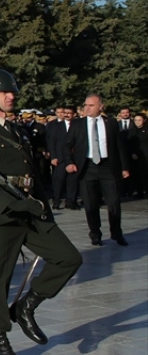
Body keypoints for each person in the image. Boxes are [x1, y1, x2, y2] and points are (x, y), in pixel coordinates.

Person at [0, 69, 83, 355]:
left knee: (68, 257)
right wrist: (17, 204)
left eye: (13, 91)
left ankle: (27, 306)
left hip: (30, 209)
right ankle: (0, 344)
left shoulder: (17, 130)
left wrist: (44, 209)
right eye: (5, 92)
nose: (12, 96)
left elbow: (32, 175)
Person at [63, 94, 131, 246]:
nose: (87, 108)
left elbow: (119, 146)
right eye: (85, 105)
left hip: (108, 166)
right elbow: (67, 145)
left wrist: (124, 167)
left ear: (101, 106)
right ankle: (95, 233)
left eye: (91, 105)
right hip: (87, 167)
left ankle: (116, 233)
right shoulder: (78, 124)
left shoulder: (111, 122)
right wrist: (69, 162)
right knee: (90, 203)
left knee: (113, 202)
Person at [45, 105, 79, 210]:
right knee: (58, 181)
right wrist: (53, 157)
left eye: (69, 113)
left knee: (72, 181)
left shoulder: (78, 125)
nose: (66, 114)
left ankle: (71, 202)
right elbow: (52, 142)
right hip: (60, 158)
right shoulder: (57, 126)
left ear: (74, 114)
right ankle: (56, 201)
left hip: (74, 158)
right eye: (65, 113)